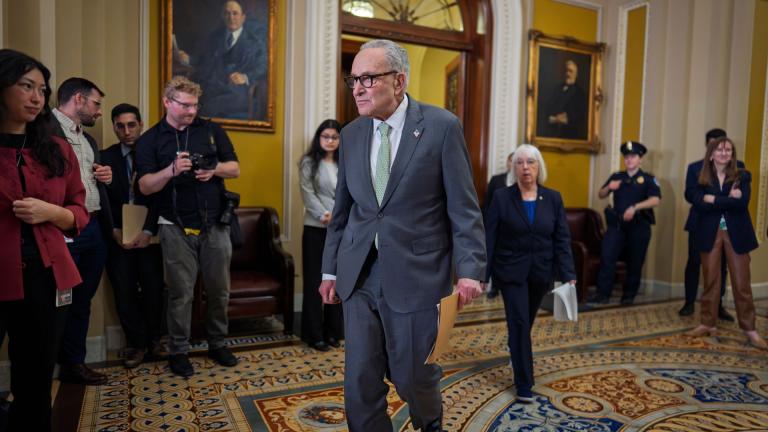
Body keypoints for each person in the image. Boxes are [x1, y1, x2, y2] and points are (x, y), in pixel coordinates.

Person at [319, 39, 486, 431]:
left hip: (420, 276)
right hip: (359, 275)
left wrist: (470, 269)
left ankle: (430, 424)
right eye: (353, 79)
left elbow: (463, 207)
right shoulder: (352, 134)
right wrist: (329, 271)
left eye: (368, 78)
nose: (357, 87)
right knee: (359, 381)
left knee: (415, 376)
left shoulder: (441, 127)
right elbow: (343, 212)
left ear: (399, 81)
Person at [0, 48, 89, 431]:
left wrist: (52, 214)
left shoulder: (56, 150)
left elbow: (79, 211)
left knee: (36, 379)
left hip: (47, 276)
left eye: (42, 89)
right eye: (26, 86)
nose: (37, 98)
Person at [136, 76, 240, 377]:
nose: (192, 111)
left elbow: (235, 168)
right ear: (168, 102)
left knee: (220, 290)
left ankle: (218, 343)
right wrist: (170, 170)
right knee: (181, 294)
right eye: (185, 105)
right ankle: (179, 351)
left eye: (195, 105)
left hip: (215, 225)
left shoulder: (210, 131)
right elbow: (144, 187)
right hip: (174, 226)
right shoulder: (151, 140)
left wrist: (213, 168)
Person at [485, 144, 575, 403]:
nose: (526, 167)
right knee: (520, 323)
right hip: (510, 272)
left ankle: (516, 350)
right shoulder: (502, 197)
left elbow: (561, 238)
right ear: (514, 168)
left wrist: (568, 273)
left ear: (539, 167)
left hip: (540, 273)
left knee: (525, 322)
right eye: (521, 163)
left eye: (531, 162)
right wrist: (482, 275)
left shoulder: (553, 198)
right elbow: (490, 238)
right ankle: (524, 382)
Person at [51, 77, 113, 386]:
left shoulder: (88, 141)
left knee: (82, 300)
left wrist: (105, 176)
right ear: (78, 99)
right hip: (59, 229)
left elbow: (89, 184)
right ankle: (41, 368)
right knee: (55, 301)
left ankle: (73, 364)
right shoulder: (43, 130)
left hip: (94, 228)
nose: (99, 111)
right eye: (96, 103)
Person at [685, 137, 766, 350]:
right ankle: (707, 323)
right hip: (709, 231)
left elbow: (742, 202)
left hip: (736, 232)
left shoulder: (742, 174)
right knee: (711, 280)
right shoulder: (698, 173)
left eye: (728, 149)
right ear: (711, 153)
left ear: (732, 153)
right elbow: (695, 199)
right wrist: (725, 199)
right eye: (719, 149)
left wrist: (711, 199)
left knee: (742, 283)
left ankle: (750, 329)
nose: (724, 153)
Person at [101, 103, 166, 368]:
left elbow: (162, 198)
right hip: (118, 234)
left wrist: (149, 230)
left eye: (132, 125)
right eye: (120, 126)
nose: (127, 131)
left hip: (150, 234)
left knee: (153, 289)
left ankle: (155, 340)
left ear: (140, 124)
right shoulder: (105, 157)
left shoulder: (155, 156)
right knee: (124, 291)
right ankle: (136, 344)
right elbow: (101, 199)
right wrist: (113, 229)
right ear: (114, 127)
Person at [587, 141, 661, 305]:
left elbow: (655, 200)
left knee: (635, 261)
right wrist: (609, 188)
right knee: (607, 257)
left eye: (633, 156)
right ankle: (602, 294)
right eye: (626, 157)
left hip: (639, 226)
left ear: (640, 159)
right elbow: (601, 194)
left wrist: (635, 207)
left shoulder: (648, 179)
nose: (629, 160)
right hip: (617, 226)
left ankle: (628, 296)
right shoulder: (616, 176)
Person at [679, 128, 740, 321]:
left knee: (721, 266)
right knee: (694, 262)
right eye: (714, 144)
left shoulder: (735, 169)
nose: (719, 149)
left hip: (724, 225)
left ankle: (718, 305)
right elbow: (691, 195)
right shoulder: (695, 168)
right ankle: (689, 302)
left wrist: (712, 199)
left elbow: (736, 198)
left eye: (722, 145)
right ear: (708, 146)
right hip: (699, 222)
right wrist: (718, 200)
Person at [299, 119, 344, 352]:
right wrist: (324, 215)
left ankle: (333, 331)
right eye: (325, 136)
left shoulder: (345, 162)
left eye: (334, 137)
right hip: (316, 228)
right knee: (316, 282)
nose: (329, 141)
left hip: (342, 230)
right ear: (319, 138)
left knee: (338, 281)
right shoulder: (309, 162)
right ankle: (313, 333)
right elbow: (307, 193)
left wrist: (340, 218)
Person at [181, 0, 265, 119]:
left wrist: (246, 77)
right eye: (227, 13)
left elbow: (263, 66)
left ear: (243, 17)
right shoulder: (214, 37)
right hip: (213, 87)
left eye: (235, 13)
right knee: (198, 95)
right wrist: (189, 59)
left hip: (237, 92)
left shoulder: (254, 42)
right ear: (222, 16)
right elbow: (203, 59)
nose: (231, 17)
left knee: (208, 105)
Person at [483, 151, 514, 299]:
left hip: (513, 227)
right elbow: (487, 202)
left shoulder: (522, 181)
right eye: (510, 160)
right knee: (494, 255)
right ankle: (494, 287)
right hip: (496, 225)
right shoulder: (496, 180)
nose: (512, 163)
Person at [538, 60, 588, 140]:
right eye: (566, 70)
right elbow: (548, 107)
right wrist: (553, 118)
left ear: (576, 74)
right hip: (552, 131)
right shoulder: (557, 88)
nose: (567, 74)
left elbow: (580, 116)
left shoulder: (580, 93)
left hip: (569, 134)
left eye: (571, 71)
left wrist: (567, 117)